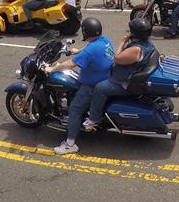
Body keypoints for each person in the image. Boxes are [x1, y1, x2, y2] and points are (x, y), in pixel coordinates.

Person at [49, 18, 114, 155]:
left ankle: (70, 144)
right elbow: (91, 49)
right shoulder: (104, 40)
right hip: (105, 77)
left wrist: (52, 69)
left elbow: (70, 64)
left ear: (85, 32)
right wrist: (78, 51)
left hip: (92, 84)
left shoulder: (90, 51)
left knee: (75, 109)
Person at [83, 17, 155, 132]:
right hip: (132, 73)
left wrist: (122, 42)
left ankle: (94, 119)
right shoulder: (147, 43)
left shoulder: (136, 49)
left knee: (99, 88)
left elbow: (117, 59)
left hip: (122, 81)